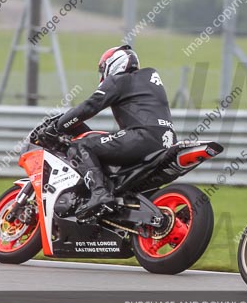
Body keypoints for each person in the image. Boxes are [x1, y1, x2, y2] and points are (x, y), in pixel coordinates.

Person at [53, 45, 177, 218]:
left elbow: (89, 106)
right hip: (167, 140)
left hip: (142, 136)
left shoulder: (120, 81)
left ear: (113, 64)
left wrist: (58, 125)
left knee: (80, 146)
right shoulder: (149, 78)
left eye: (102, 69)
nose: (102, 74)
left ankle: (99, 193)